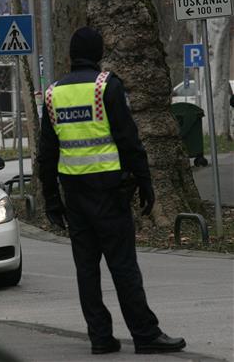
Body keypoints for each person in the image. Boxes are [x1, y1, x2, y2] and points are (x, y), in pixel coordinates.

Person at [38, 27, 186, 355]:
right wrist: (145, 182)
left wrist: (51, 199)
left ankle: (100, 337)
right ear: (99, 53)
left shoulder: (52, 94)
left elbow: (46, 154)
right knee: (122, 265)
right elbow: (129, 140)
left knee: (87, 270)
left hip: (74, 195)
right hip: (109, 192)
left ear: (70, 56)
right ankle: (145, 335)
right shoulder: (107, 86)